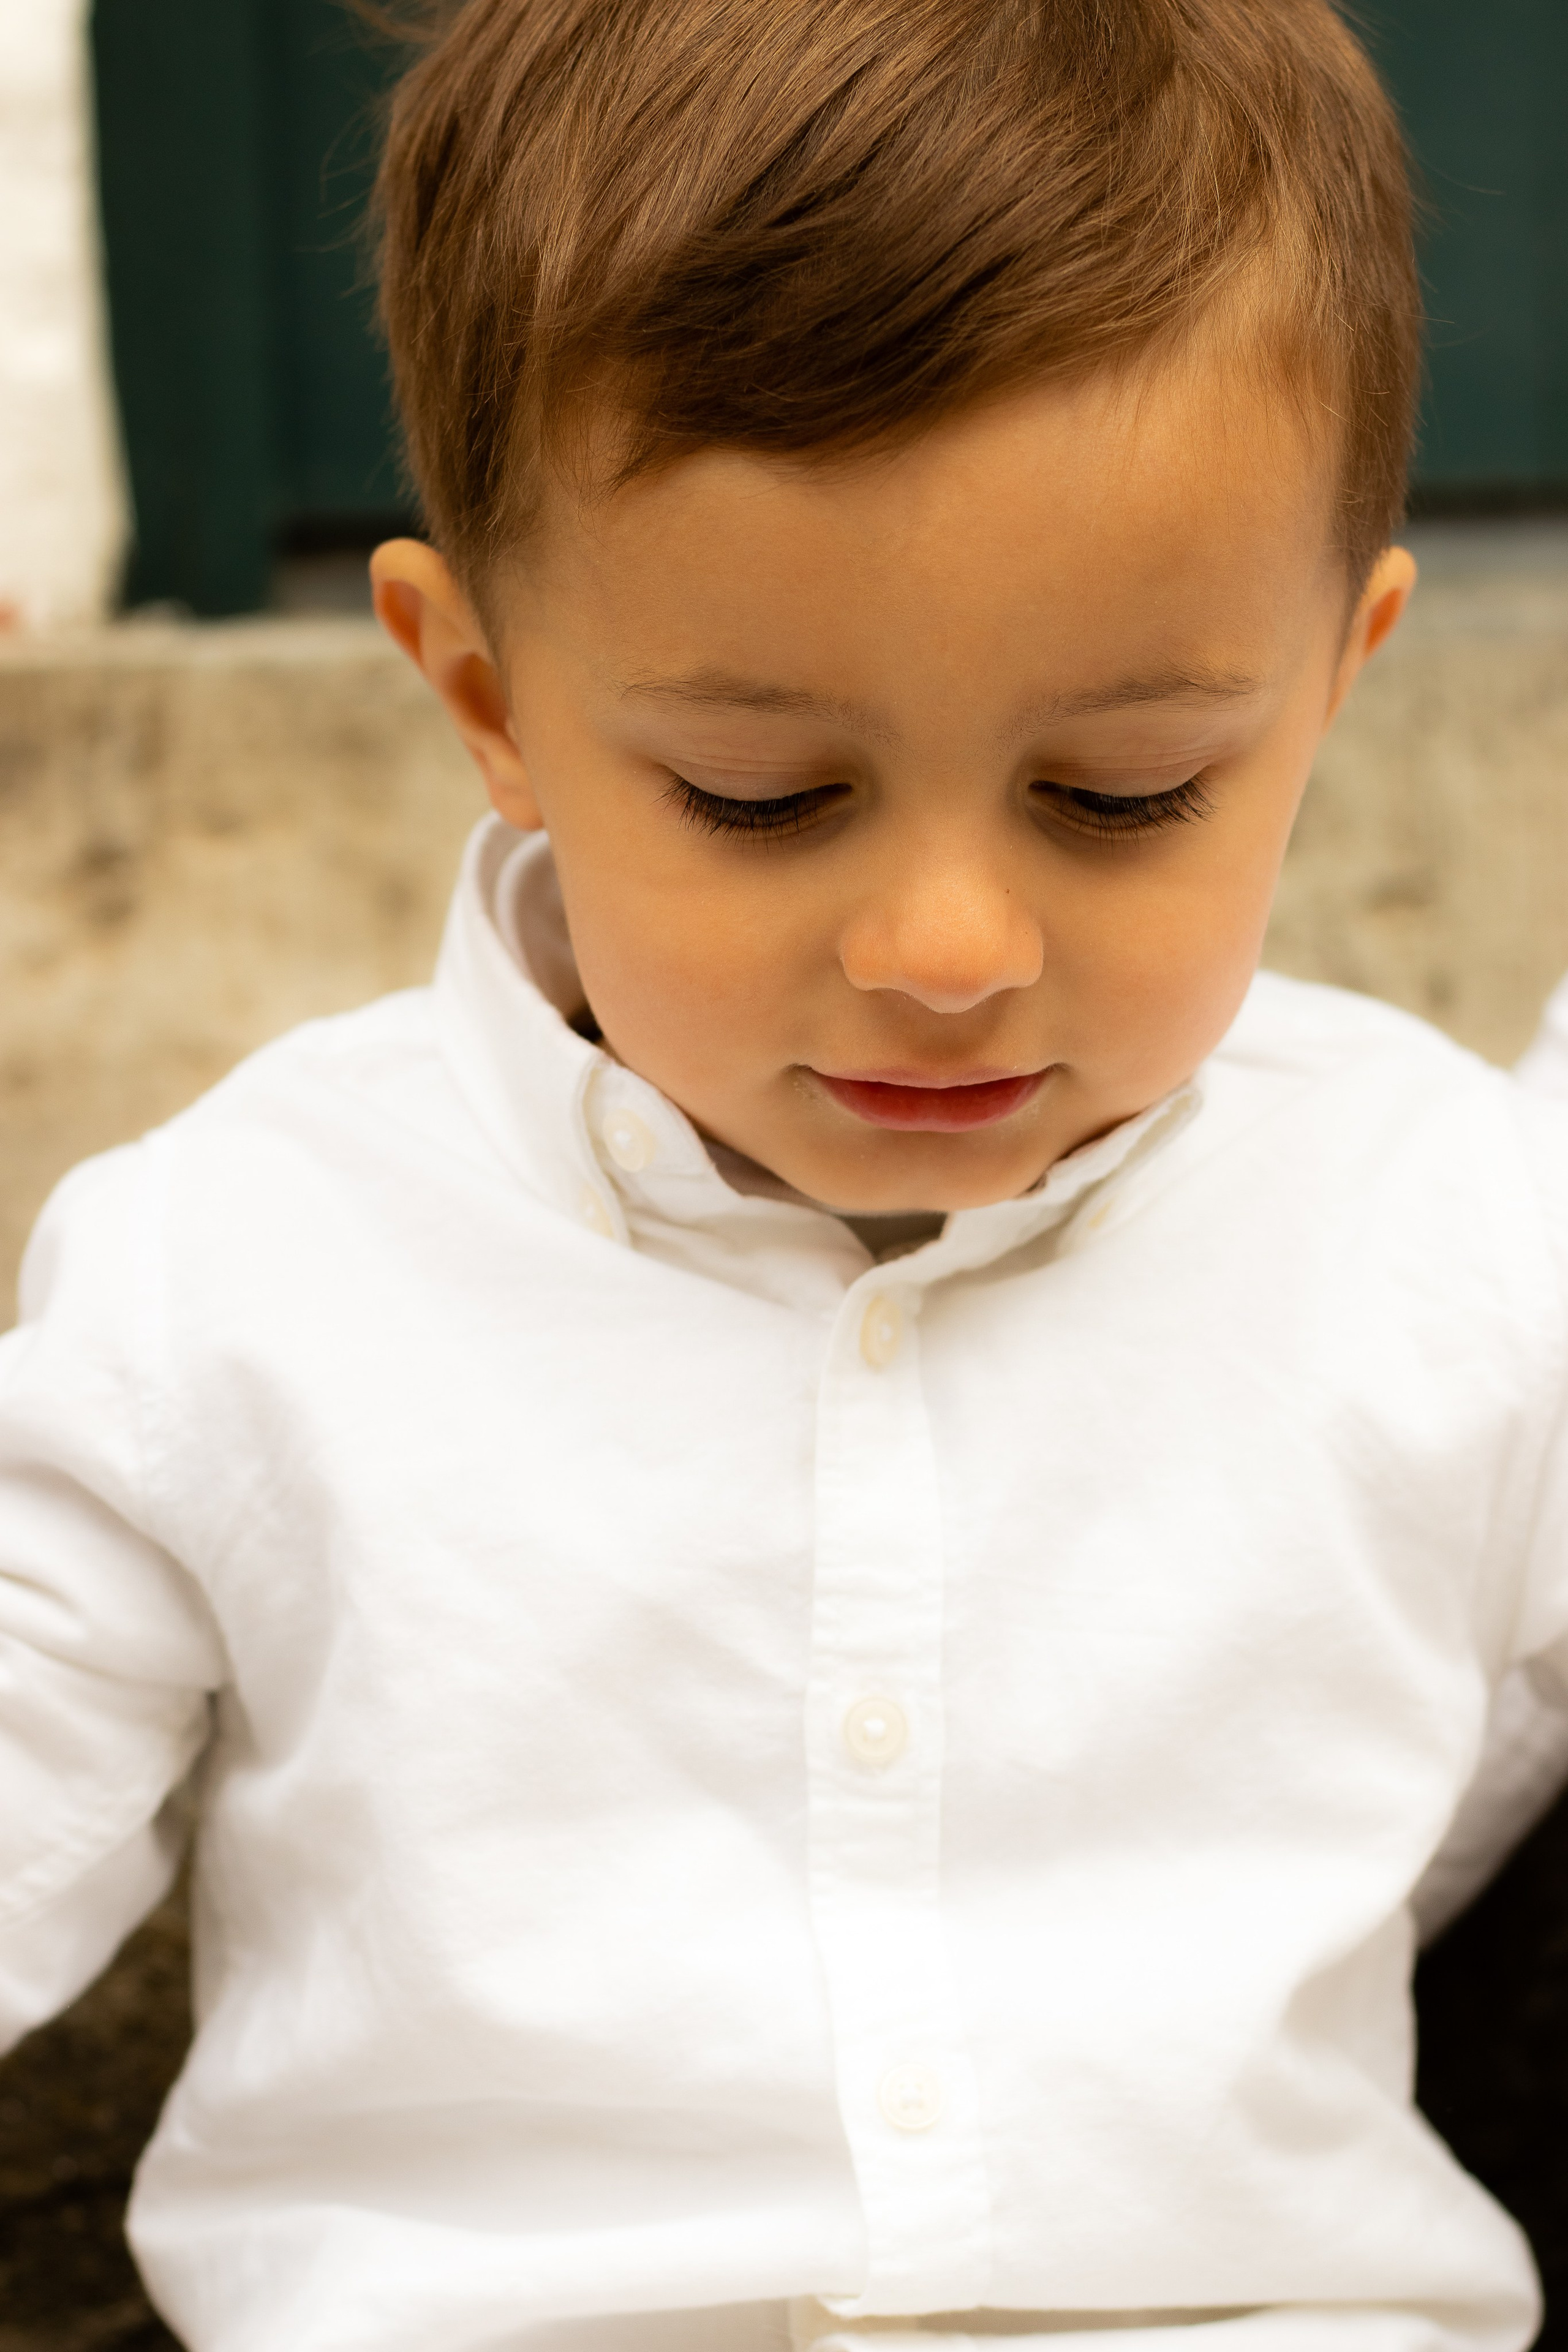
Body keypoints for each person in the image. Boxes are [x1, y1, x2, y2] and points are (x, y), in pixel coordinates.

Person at [4, 2, 1568, 2346]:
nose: (948, 950)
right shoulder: (238, 1270)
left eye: (1123, 793)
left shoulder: (1445, 1228)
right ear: (488, 698)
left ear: (1332, 683)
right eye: (762, 799)